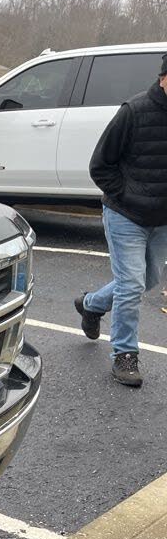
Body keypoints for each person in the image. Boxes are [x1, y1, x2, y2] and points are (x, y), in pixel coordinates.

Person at [76, 55, 167, 388]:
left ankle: (91, 305)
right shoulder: (133, 112)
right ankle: (124, 355)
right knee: (130, 287)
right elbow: (100, 166)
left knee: (147, 280)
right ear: (164, 78)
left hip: (162, 219)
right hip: (125, 214)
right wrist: (127, 196)